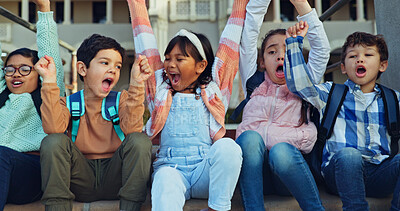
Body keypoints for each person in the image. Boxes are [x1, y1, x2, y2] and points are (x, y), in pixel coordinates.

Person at [127, 0, 248, 210]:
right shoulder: (159, 89)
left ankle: (218, 207)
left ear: (201, 66)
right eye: (167, 58)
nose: (170, 64)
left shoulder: (215, 91)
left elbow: (231, 40)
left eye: (179, 59)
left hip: (204, 172)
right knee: (164, 180)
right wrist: (136, 3)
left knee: (229, 148)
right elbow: (143, 38)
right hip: (171, 169)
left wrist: (240, 3)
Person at [285, 26, 400, 210]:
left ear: (382, 65)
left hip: (380, 173)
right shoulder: (331, 93)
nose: (360, 59)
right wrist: (293, 44)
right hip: (339, 173)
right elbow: (300, 86)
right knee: (349, 155)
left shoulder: (393, 99)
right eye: (353, 56)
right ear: (343, 67)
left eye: (368, 55)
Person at [37, 34, 153, 211]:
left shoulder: (121, 99)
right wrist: (49, 81)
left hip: (117, 177)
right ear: (83, 69)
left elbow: (132, 129)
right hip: (79, 179)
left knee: (140, 140)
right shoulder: (68, 103)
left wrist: (137, 84)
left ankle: (130, 208)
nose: (113, 70)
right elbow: (53, 128)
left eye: (118, 66)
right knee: (53, 141)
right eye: (105, 63)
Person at [235, 0, 331, 210]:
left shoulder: (304, 83)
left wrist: (301, 4)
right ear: (262, 62)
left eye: (287, 50)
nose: (280, 55)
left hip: (287, 173)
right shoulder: (253, 82)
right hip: (256, 173)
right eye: (271, 52)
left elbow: (322, 50)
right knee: (250, 138)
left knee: (280, 151)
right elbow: (249, 34)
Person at [0, 0, 65, 209]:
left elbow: (50, 54)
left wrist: (44, 10)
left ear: (39, 72)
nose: (16, 73)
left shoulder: (47, 95)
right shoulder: (2, 94)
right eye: (10, 69)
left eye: (24, 69)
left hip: (29, 173)